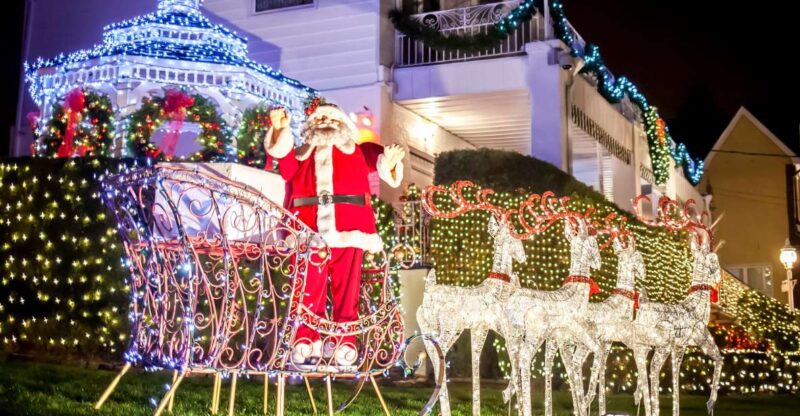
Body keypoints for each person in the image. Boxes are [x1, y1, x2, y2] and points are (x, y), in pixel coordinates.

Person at [263, 103, 405, 367]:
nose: (326, 121)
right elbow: (285, 166)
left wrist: (392, 162)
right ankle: (305, 339)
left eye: (331, 117)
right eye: (320, 118)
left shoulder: (358, 152)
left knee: (347, 289)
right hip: (308, 229)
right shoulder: (302, 155)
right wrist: (280, 130)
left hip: (350, 227)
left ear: (342, 123)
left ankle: (343, 341)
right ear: (311, 125)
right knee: (308, 288)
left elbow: (381, 160)